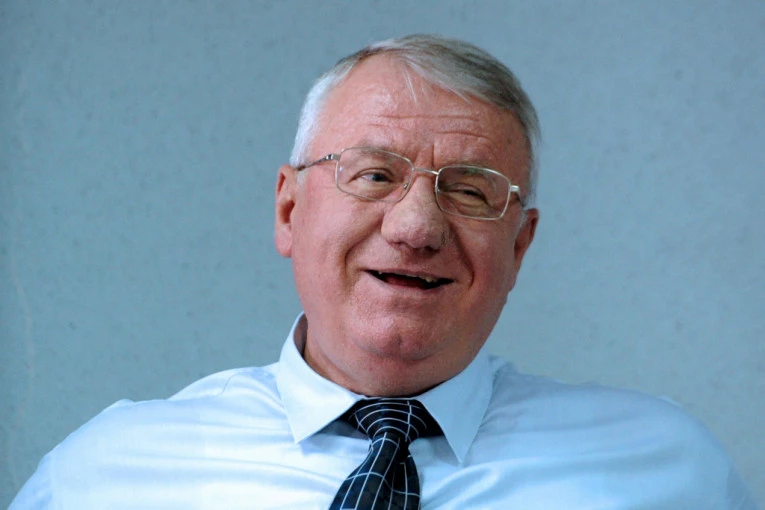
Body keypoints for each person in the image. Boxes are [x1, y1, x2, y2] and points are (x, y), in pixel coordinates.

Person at [11, 34, 758, 510]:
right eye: (373, 175)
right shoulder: (105, 478)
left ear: (519, 247)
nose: (416, 228)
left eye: (470, 191)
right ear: (289, 210)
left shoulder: (668, 472)